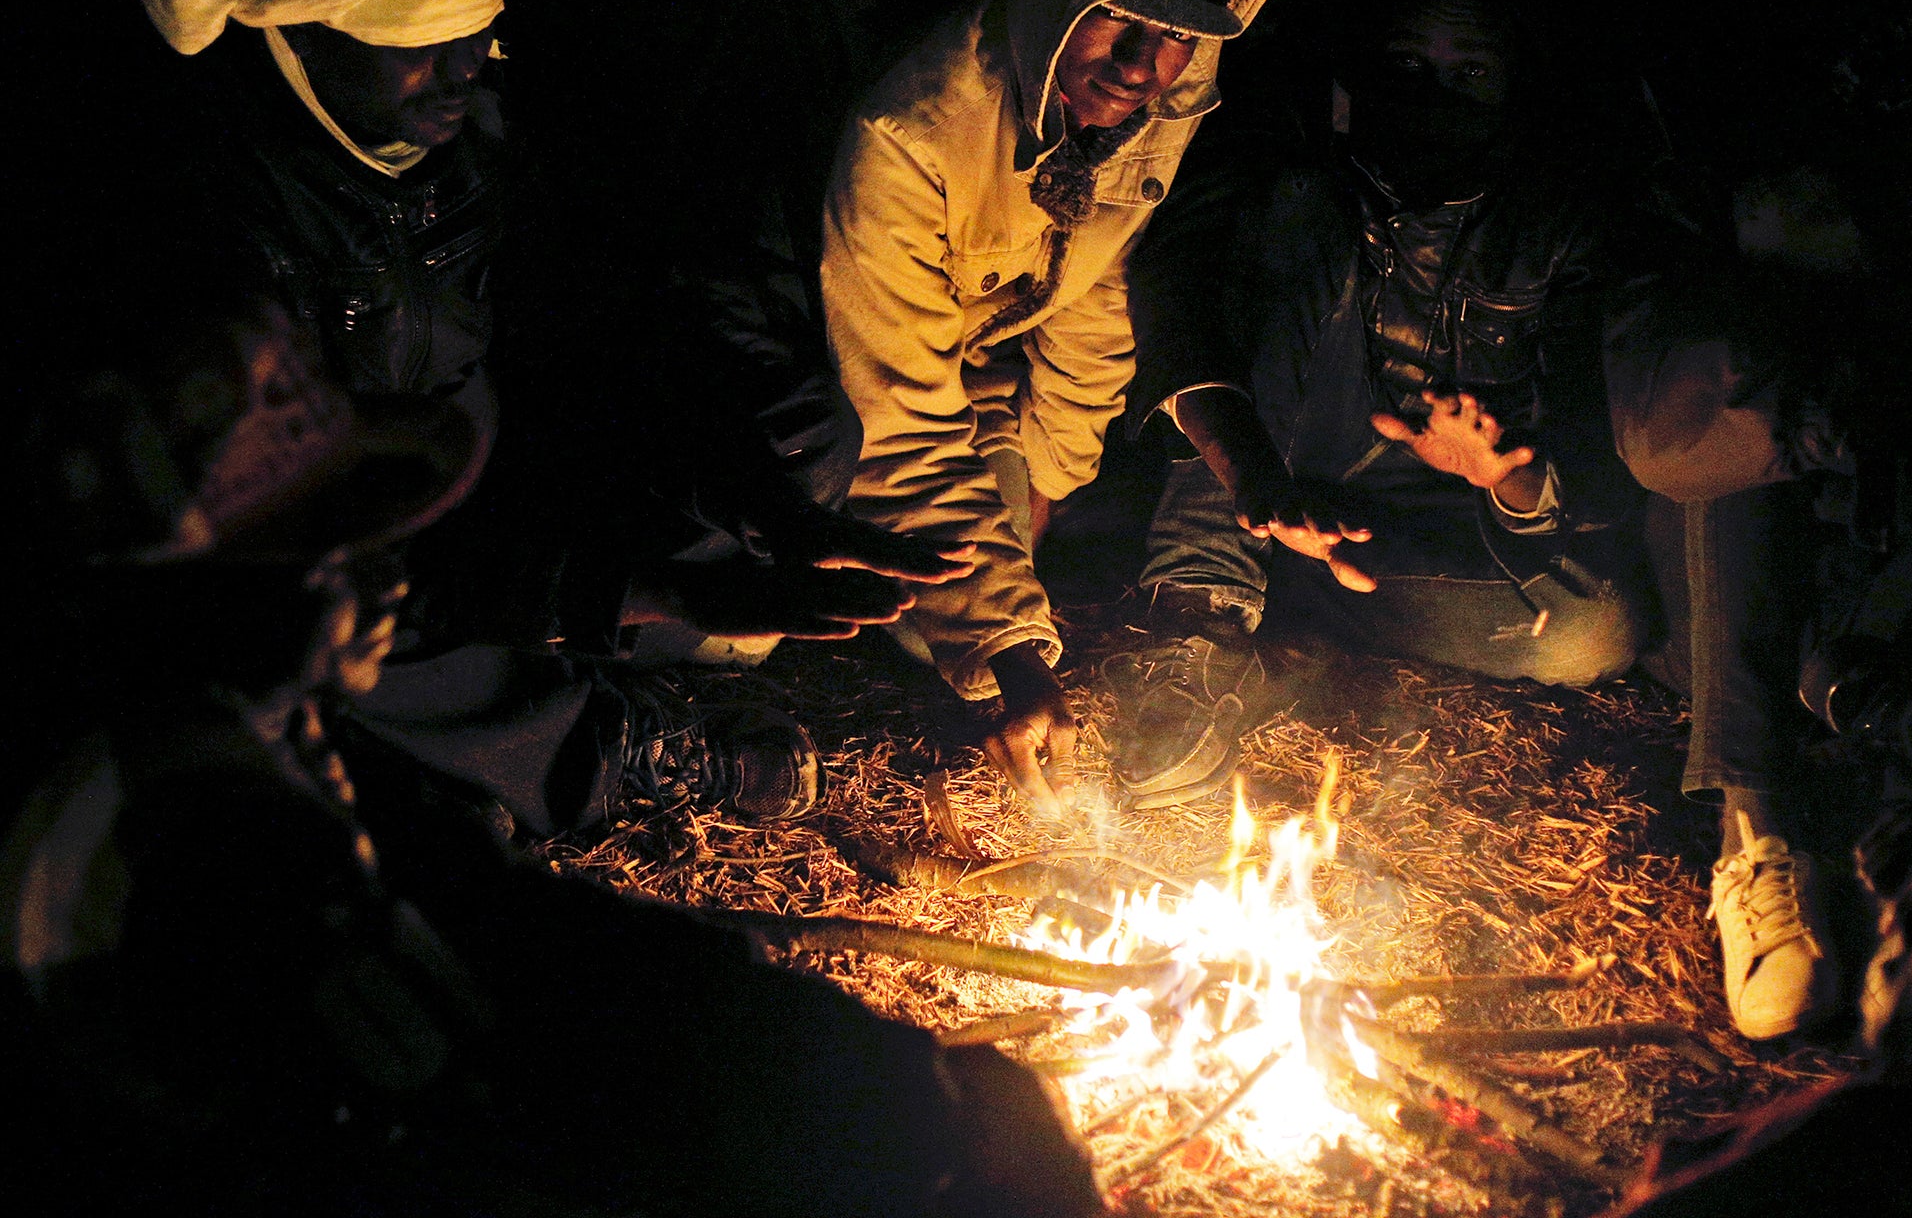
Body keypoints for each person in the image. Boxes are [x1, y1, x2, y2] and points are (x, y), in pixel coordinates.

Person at [8, 294, 1102, 1218]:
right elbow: (524, 1041)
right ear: (203, 589)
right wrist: (902, 1130)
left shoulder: (237, 714)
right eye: (334, 543)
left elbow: (504, 916)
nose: (386, 570)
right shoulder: (192, 843)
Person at [116, 0, 966, 837]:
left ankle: (538, 685)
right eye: (423, 44)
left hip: (479, 483)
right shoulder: (220, 219)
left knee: (799, 436)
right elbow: (295, 525)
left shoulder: (466, 143)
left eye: (476, 38)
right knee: (318, 615)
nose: (461, 71)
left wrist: (762, 503)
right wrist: (655, 588)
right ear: (310, 28)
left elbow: (610, 329)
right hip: (343, 544)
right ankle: (591, 748)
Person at [1110, 0, 1654, 809]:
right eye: (1407, 67)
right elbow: (1178, 308)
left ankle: (1305, 628)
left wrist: (1499, 476)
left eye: (1468, 74)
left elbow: (1594, 457)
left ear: (1511, 91)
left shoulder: (1560, 227)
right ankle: (1204, 614)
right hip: (1272, 482)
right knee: (1295, 207)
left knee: (1590, 636)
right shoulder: (1297, 174)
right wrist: (1254, 477)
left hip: (1427, 541)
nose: (1434, 96)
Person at [821, 0, 1268, 818]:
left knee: (990, 568)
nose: (1142, 68)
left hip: (977, 387)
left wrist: (1050, 482)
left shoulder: (1157, 102)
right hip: (849, 385)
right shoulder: (906, 137)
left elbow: (1098, 302)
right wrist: (1012, 651)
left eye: (1178, 40)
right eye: (1121, 27)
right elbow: (898, 413)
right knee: (949, 637)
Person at [1604, 121, 1912, 1039]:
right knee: (1729, 467)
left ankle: (1906, 881)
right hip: (1728, 631)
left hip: (1866, 650)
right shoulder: (1702, 312)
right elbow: (1663, 439)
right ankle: (1751, 828)